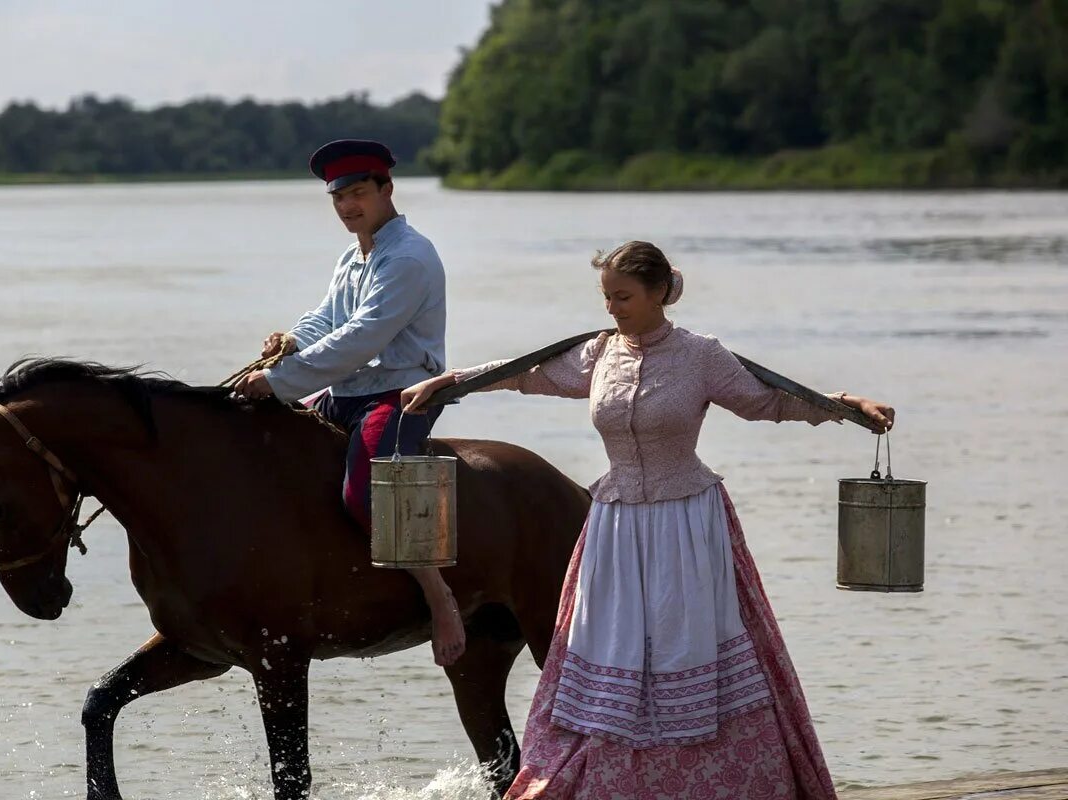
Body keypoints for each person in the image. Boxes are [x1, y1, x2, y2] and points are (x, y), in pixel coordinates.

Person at [401, 241, 894, 799]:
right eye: (606, 297)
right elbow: (527, 372)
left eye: (624, 296)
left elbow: (770, 402)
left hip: (688, 524)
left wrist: (846, 407)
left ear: (660, 292)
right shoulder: (599, 353)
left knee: (687, 649)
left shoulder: (701, 355)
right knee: (611, 648)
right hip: (615, 527)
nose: (612, 308)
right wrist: (452, 381)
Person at [233, 139, 465, 666]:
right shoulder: (353, 254)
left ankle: (438, 595)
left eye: (359, 193)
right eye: (339, 198)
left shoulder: (408, 256)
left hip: (401, 395)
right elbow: (327, 318)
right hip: (346, 392)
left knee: (367, 496)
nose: (347, 206)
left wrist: (280, 381)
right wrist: (288, 342)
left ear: (387, 190)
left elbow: (362, 337)